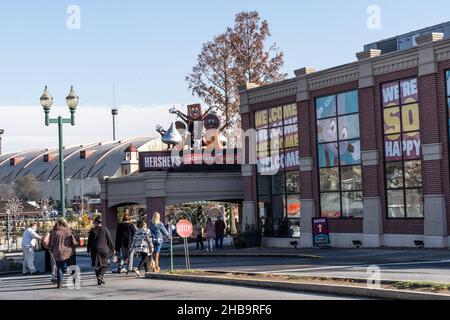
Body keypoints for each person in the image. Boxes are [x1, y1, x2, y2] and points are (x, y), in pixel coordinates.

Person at [48, 219, 78, 288]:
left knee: (59, 268)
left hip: (58, 252)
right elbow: (75, 241)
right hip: (69, 252)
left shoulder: (55, 232)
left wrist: (52, 250)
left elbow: (52, 243)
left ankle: (60, 284)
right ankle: (75, 281)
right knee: (72, 267)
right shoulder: (69, 231)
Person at [87, 216, 114, 285]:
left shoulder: (92, 230)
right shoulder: (105, 229)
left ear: (96, 222)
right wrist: (113, 249)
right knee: (106, 263)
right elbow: (109, 240)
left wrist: (88, 249)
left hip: (94, 249)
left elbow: (89, 241)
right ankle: (100, 276)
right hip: (104, 249)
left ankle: (99, 278)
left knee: (96, 265)